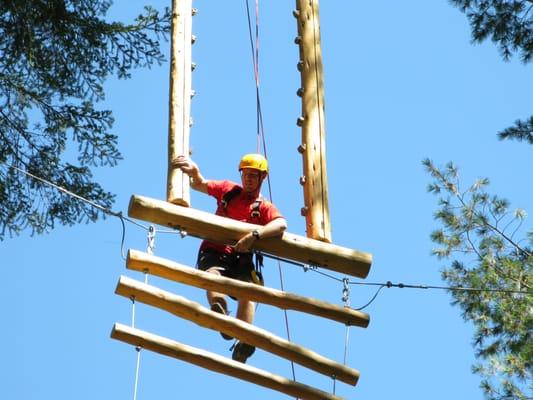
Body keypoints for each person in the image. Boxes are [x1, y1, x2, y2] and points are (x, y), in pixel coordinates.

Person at [172, 153, 287, 363]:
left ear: (262, 178)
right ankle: (220, 310)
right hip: (214, 249)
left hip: (240, 257)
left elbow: (281, 225)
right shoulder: (228, 190)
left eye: (253, 175)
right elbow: (200, 185)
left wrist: (254, 235)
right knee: (212, 277)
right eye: (245, 174)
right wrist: (195, 172)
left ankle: (244, 336)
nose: (248, 179)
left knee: (248, 293)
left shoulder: (262, 207)